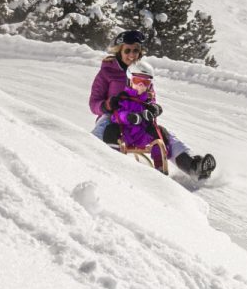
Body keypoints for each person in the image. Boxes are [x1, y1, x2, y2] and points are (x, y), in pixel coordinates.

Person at [90, 30, 216, 179]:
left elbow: (150, 98)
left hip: (137, 119)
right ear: (119, 50)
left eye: (135, 50)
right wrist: (107, 105)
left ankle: (193, 167)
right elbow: (94, 103)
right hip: (113, 116)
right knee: (105, 127)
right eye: (127, 50)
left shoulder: (143, 73)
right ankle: (89, 155)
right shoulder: (107, 72)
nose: (131, 55)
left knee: (164, 135)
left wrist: (152, 109)